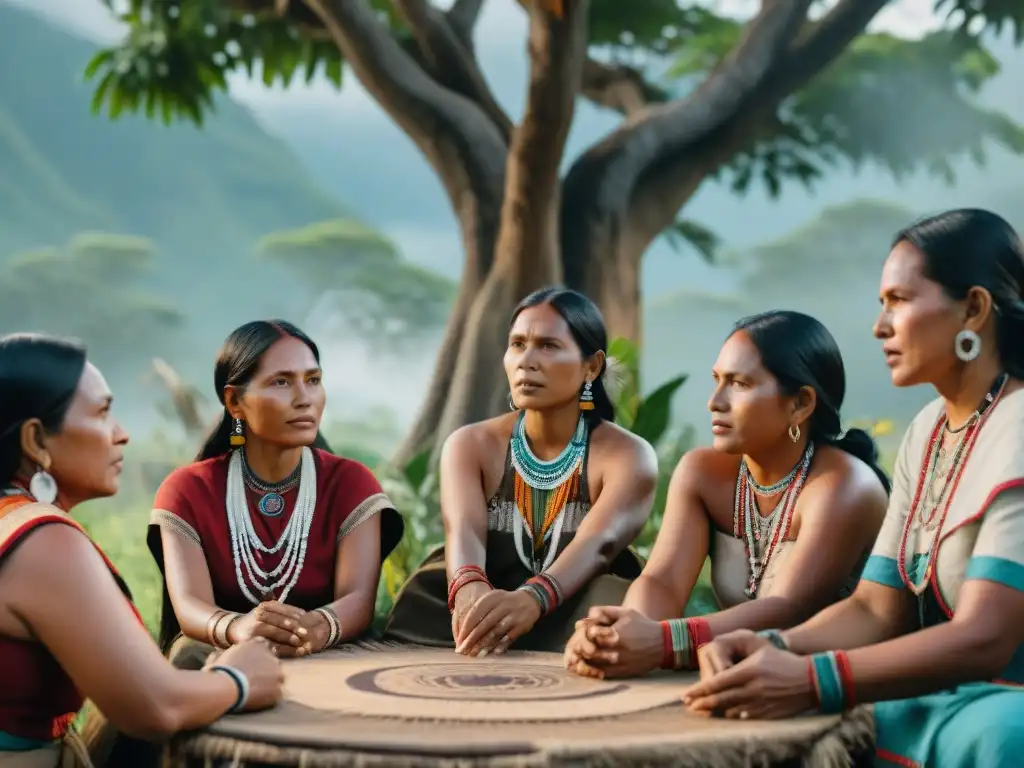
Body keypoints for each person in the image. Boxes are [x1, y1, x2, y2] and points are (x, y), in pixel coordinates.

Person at [684, 209, 1024, 767]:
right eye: (880, 303)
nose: (879, 325)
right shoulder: (929, 431)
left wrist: (812, 678)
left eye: (899, 300)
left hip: (1002, 707)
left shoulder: (1018, 423)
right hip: (942, 697)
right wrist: (773, 647)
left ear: (974, 308)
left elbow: (987, 636)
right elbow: (873, 609)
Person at [0, 333, 282, 765]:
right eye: (102, 413)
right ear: (36, 440)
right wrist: (240, 678)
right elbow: (154, 708)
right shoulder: (42, 540)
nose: (122, 434)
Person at [563, 310, 891, 679]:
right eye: (717, 380)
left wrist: (661, 641)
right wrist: (621, 634)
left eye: (740, 384)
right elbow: (663, 582)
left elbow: (789, 609)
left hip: (835, 683)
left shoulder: (845, 487)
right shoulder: (703, 473)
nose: (715, 401)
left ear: (800, 403)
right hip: (737, 669)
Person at [384, 287, 658, 655]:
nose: (527, 360)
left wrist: (535, 599)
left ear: (591, 366)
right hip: (485, 602)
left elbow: (598, 545)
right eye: (517, 344)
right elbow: (463, 529)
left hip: (575, 607)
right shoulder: (469, 444)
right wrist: (469, 588)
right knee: (428, 598)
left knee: (613, 609)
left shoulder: (628, 456)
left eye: (548, 346)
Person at [148, 320, 404, 667]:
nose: (304, 399)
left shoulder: (351, 483)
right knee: (189, 657)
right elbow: (190, 605)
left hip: (328, 655)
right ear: (235, 401)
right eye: (281, 382)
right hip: (222, 656)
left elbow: (357, 599)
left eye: (313, 381)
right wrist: (240, 628)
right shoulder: (187, 491)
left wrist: (317, 628)